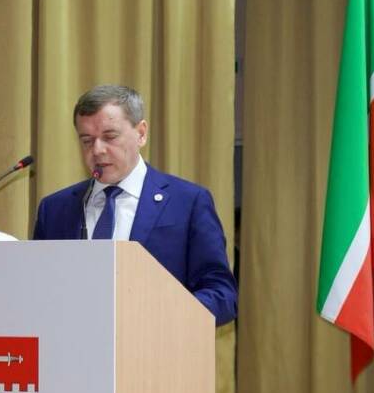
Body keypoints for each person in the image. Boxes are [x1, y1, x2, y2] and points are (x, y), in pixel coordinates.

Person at [33, 84, 237, 326]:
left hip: (157, 344)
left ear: (141, 133)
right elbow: (39, 290)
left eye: (110, 137)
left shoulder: (188, 202)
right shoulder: (55, 209)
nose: (97, 150)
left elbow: (222, 294)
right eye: (87, 141)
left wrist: (162, 316)